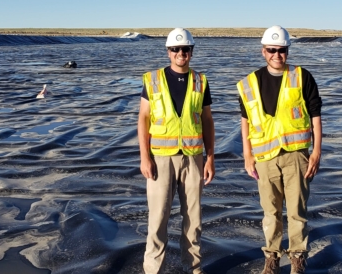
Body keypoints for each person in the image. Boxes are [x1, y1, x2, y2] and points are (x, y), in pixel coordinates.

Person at [236, 25, 322, 274]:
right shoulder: (249, 83)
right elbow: (245, 122)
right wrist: (247, 155)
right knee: (270, 212)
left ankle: (297, 258)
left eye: (281, 50)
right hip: (264, 159)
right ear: (263, 51)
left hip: (297, 156)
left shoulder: (302, 77)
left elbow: (315, 115)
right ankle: (271, 258)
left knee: (297, 211)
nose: (277, 55)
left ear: (287, 50)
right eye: (271, 50)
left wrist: (316, 151)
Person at [138, 28, 216, 274]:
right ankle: (153, 270)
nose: (181, 53)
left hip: (193, 158)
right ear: (168, 52)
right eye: (176, 49)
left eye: (185, 49)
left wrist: (210, 157)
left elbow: (207, 121)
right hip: (160, 159)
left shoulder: (200, 81)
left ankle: (193, 268)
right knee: (158, 219)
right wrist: (144, 158)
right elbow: (144, 118)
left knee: (193, 220)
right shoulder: (152, 80)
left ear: (191, 51)